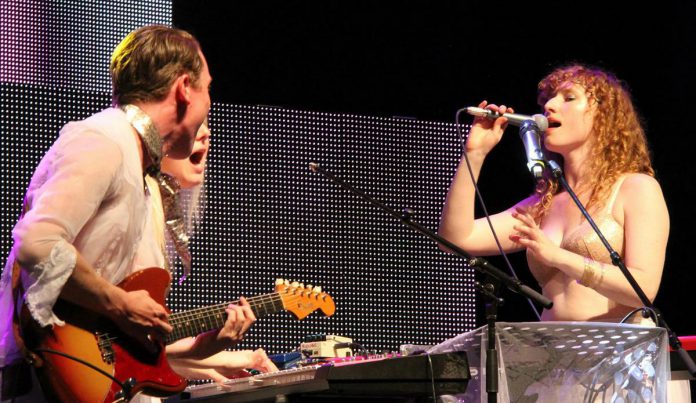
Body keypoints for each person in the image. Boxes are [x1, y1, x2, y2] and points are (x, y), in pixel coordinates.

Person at [0, 25, 256, 402]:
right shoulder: (103, 140)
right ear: (185, 88)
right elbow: (37, 243)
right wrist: (120, 304)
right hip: (56, 377)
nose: (208, 105)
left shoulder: (138, 163)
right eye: (208, 89)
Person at [439, 64, 669, 323]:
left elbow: (643, 289)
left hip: (617, 354)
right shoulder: (542, 205)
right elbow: (455, 239)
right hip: (554, 353)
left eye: (569, 98)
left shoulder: (635, 188)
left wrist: (557, 257)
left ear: (604, 115)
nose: (549, 106)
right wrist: (474, 154)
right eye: (548, 99)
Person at [136, 119, 277, 388]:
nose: (207, 134)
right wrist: (204, 353)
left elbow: (139, 345)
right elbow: (107, 344)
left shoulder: (159, 214)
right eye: (194, 122)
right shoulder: (135, 209)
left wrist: (211, 359)